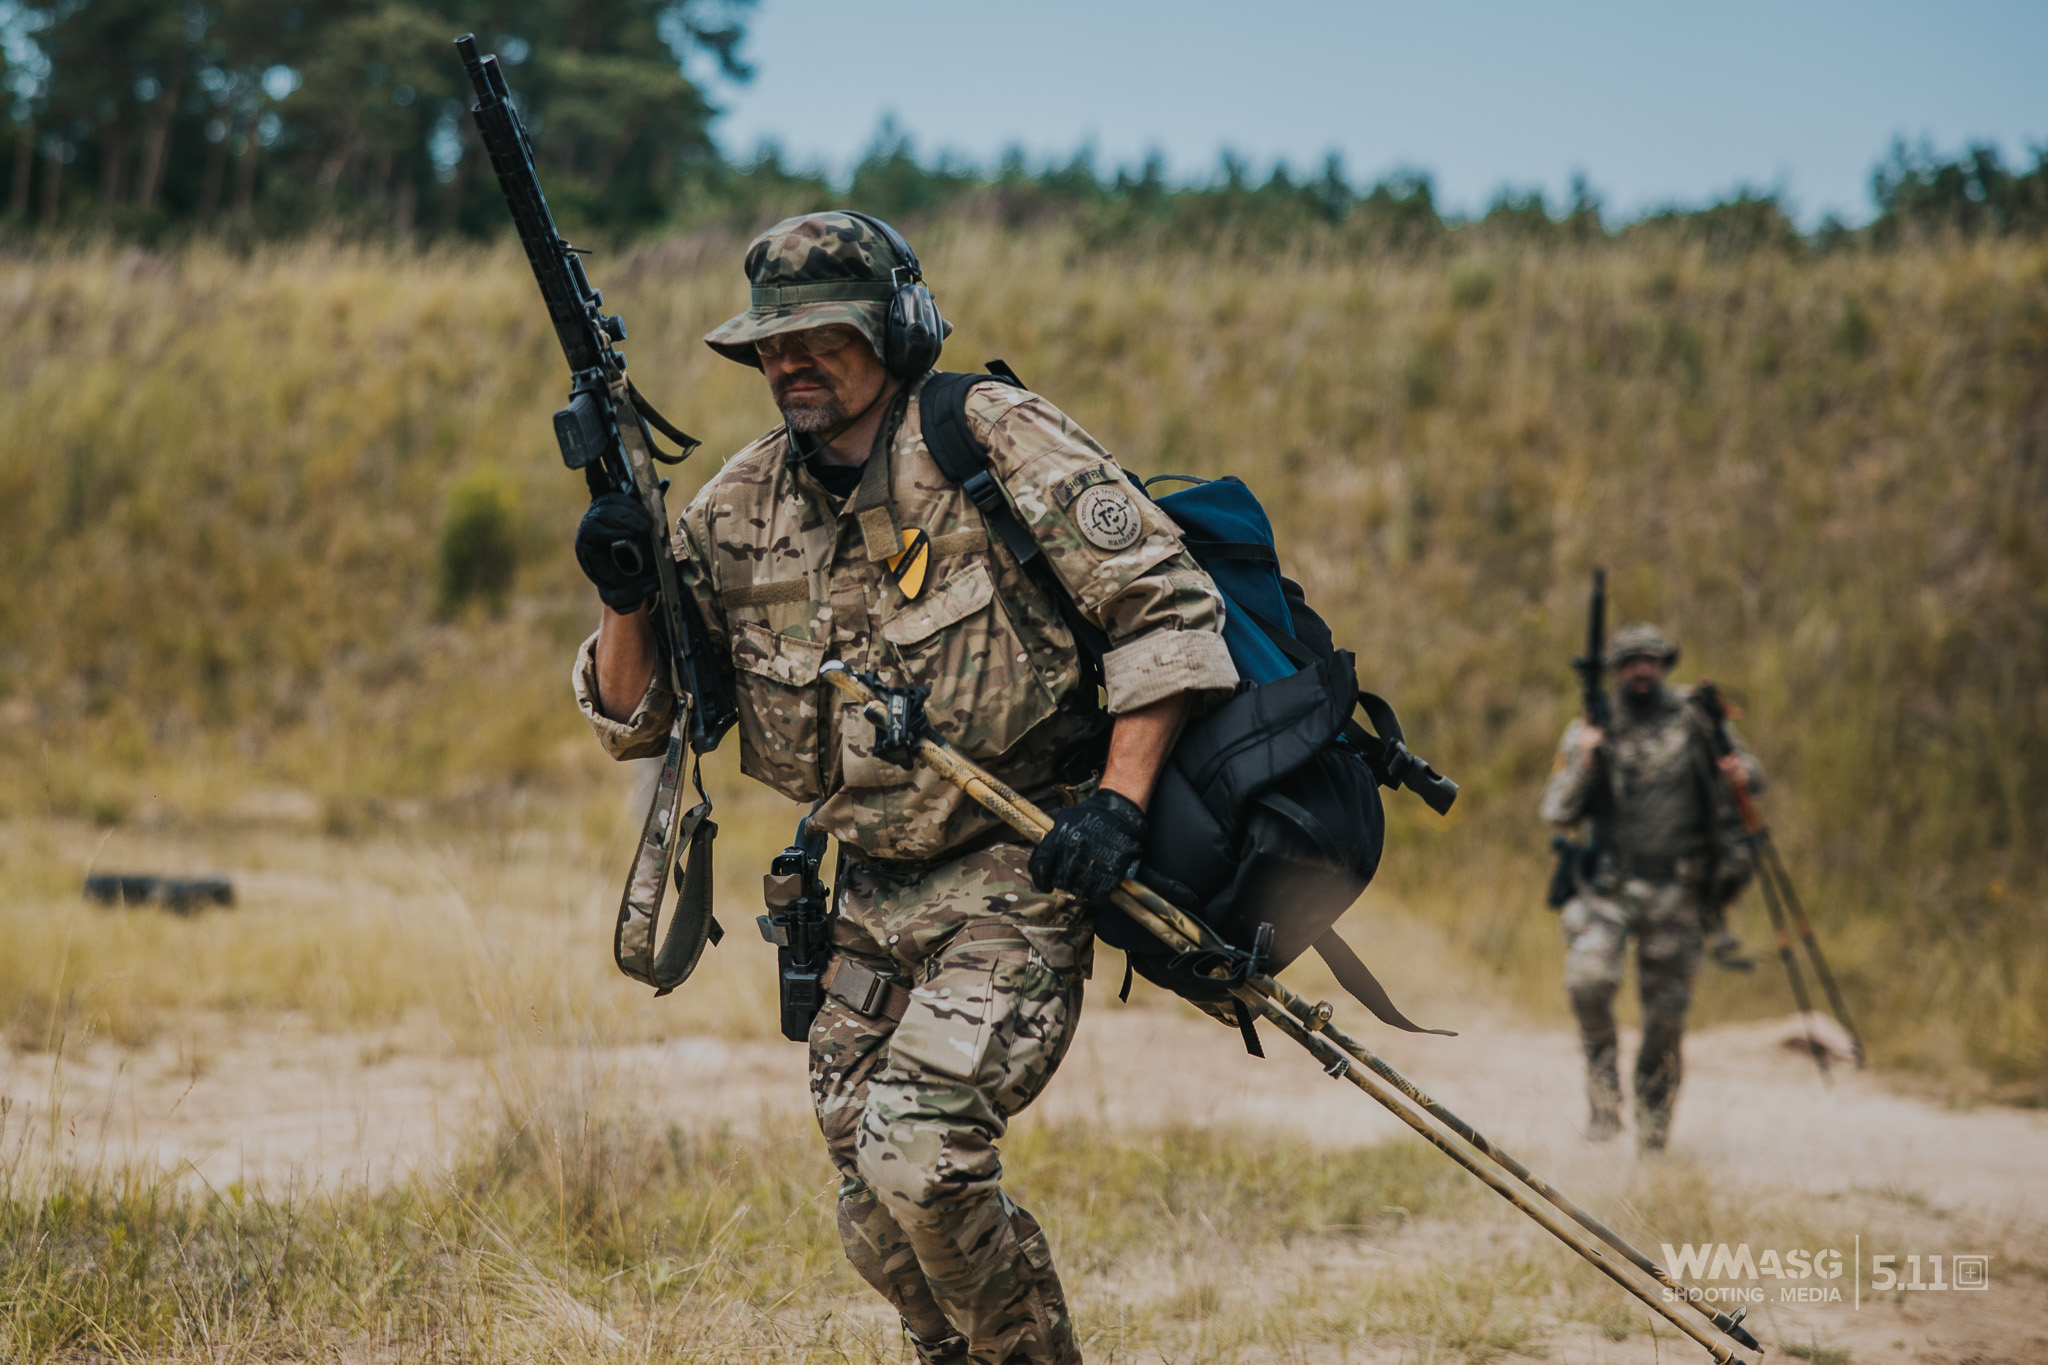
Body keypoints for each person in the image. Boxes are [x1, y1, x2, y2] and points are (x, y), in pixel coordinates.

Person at [571, 211, 1238, 1364]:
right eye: (770, 347)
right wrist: (625, 585)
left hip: (1014, 865)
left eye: (819, 338)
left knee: (920, 1162)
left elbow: (1163, 609)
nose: (791, 366)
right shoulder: (737, 508)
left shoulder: (988, 438)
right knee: (870, 1208)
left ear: (894, 329)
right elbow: (639, 719)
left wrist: (1117, 805)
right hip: (863, 901)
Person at [1539, 623, 1762, 1151]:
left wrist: (1739, 776)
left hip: (1677, 889)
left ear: (1665, 665)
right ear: (1615, 670)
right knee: (1588, 983)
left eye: (1653, 660)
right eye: (1632, 661)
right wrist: (1587, 760)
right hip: (1608, 885)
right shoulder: (1590, 727)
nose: (1643, 669)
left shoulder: (1695, 720)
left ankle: (1655, 1132)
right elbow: (1555, 810)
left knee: (1666, 1018)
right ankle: (1603, 1099)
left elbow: (1748, 773)